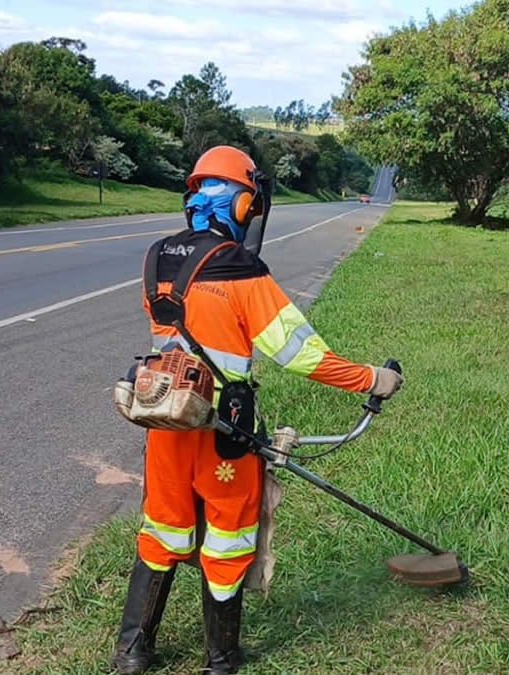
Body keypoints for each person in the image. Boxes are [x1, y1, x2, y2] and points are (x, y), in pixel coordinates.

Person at [111, 145, 403, 674]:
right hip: (227, 431)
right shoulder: (241, 269)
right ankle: (220, 660)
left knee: (162, 530)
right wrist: (374, 379)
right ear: (244, 205)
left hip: (165, 416)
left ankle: (133, 651)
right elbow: (302, 355)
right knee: (226, 539)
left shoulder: (157, 257)